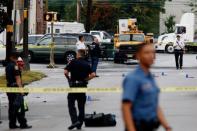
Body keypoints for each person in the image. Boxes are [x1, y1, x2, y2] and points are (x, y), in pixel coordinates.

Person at [122, 43, 172, 131]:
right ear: (138, 56)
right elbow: (126, 107)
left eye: (153, 53)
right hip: (137, 126)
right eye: (146, 53)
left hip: (150, 126)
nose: (151, 55)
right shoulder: (133, 78)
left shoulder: (150, 78)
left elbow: (155, 105)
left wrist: (167, 127)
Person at [64, 49, 96, 130]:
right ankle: (79, 124)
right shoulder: (87, 64)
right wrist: (86, 80)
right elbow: (93, 74)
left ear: (78, 54)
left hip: (74, 86)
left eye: (76, 53)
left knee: (71, 104)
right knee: (81, 106)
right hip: (82, 86)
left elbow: (65, 72)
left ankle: (75, 121)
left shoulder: (73, 62)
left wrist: (69, 79)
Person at [6, 52, 32, 129]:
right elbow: (18, 79)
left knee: (12, 107)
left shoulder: (8, 66)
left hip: (9, 88)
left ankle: (12, 124)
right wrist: (21, 91)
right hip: (16, 89)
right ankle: (23, 124)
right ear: (15, 58)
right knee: (20, 107)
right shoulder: (15, 66)